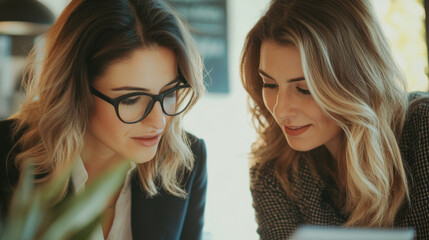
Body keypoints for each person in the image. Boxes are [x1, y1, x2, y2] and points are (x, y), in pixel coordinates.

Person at [0, 0, 207, 239]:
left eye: (169, 92)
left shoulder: (187, 161)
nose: (158, 121)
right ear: (75, 92)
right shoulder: (5, 154)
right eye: (131, 99)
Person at [240, 0, 429, 239]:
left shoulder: (423, 129)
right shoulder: (275, 169)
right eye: (270, 84)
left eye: (305, 89)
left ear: (357, 82)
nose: (280, 110)